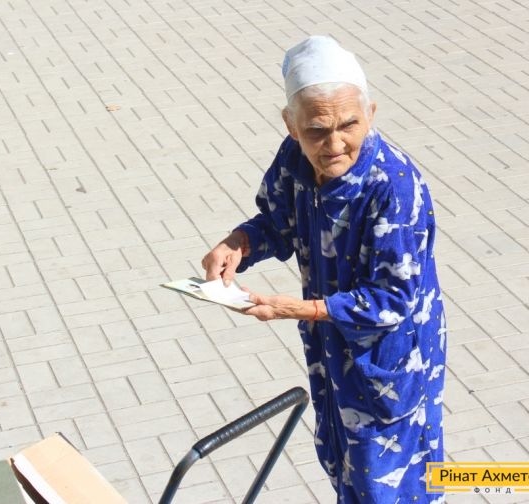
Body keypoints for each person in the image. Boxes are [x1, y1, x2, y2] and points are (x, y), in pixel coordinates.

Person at [202, 35, 446, 503]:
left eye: (349, 125)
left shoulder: (394, 188)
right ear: (291, 125)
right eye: (316, 131)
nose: (334, 145)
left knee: (389, 482)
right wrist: (239, 243)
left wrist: (298, 309)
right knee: (340, 461)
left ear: (370, 114)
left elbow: (392, 299)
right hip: (330, 348)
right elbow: (279, 221)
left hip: (387, 360)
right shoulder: (294, 158)